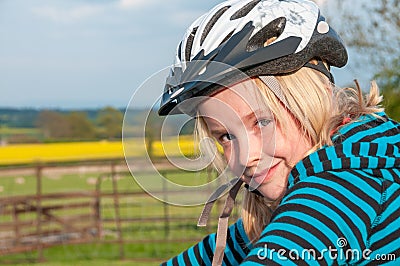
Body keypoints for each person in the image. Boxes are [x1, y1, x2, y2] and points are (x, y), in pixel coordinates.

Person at [157, 0, 400, 265]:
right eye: (226, 136)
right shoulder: (289, 202)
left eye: (261, 122)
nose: (246, 157)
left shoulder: (341, 188)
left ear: (311, 100)